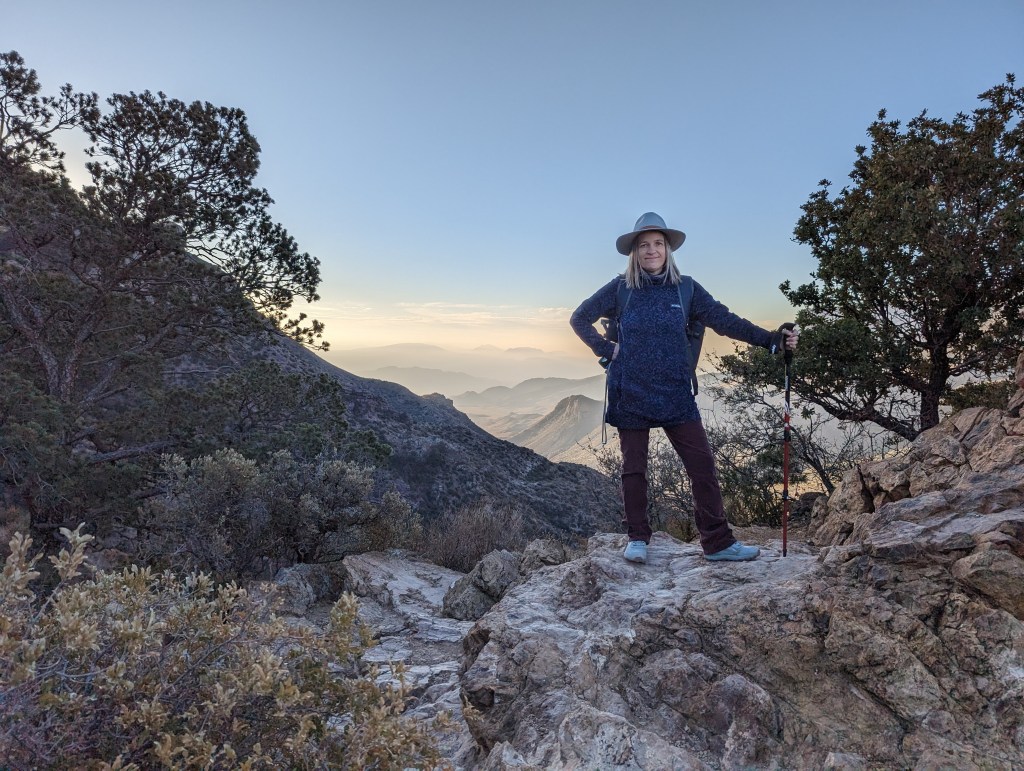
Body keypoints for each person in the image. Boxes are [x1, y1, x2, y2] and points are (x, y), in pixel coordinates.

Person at [570, 212, 798, 564]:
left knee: (702, 466)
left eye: (658, 244)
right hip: (630, 390)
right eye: (644, 245)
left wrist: (770, 340)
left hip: (675, 391)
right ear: (635, 251)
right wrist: (607, 349)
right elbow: (579, 317)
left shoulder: (687, 288)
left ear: (667, 249)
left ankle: (718, 543)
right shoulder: (620, 289)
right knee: (634, 469)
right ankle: (638, 538)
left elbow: (725, 321)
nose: (651, 250)